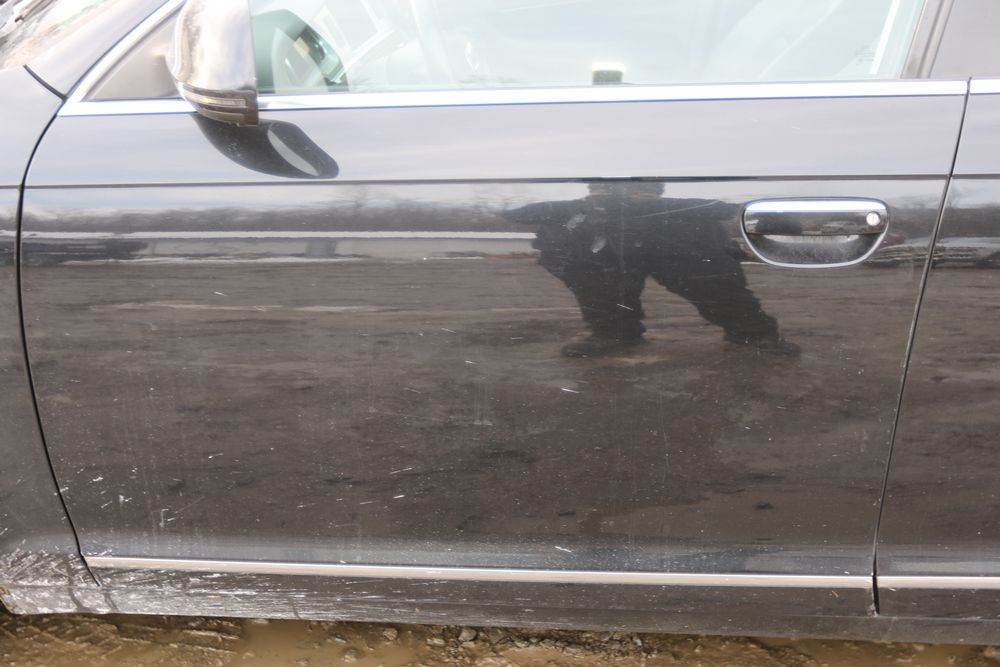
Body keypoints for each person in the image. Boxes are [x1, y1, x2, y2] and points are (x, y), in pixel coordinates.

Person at [504, 182, 798, 358]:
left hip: (677, 244)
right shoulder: (577, 209)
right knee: (601, 289)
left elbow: (731, 210)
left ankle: (753, 333)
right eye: (600, 189)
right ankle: (614, 334)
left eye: (645, 190)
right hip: (608, 250)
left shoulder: (682, 208)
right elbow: (516, 214)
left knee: (713, 286)